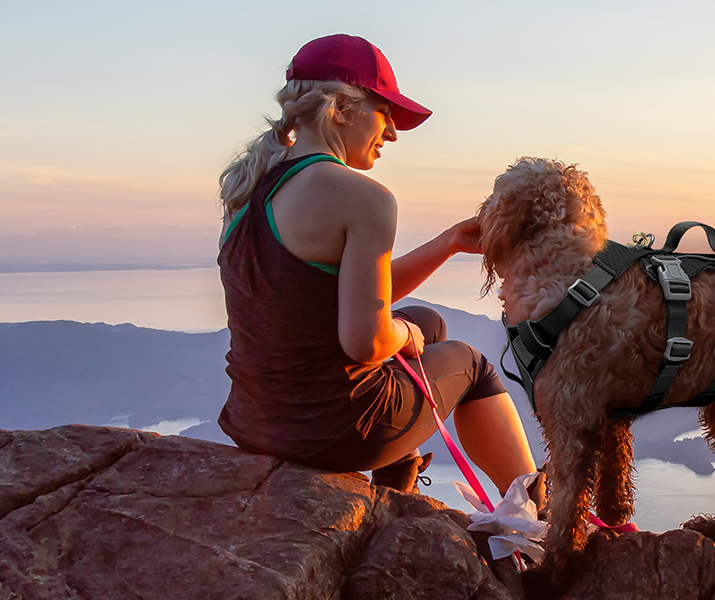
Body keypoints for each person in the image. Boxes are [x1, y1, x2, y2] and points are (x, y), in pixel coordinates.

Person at [215, 34, 538, 497]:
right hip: (336, 432)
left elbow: (337, 294)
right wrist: (405, 336)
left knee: (427, 319)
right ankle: (532, 512)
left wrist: (447, 244)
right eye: (385, 114)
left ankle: (395, 483)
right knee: (471, 364)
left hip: (256, 422)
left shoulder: (248, 189)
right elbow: (365, 340)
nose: (391, 133)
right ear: (342, 109)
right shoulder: (363, 198)